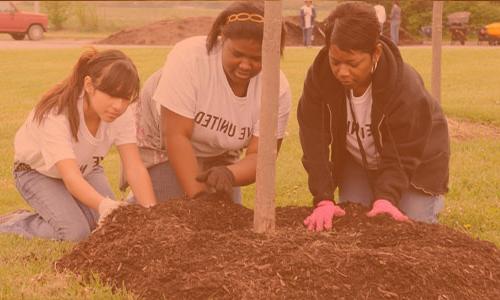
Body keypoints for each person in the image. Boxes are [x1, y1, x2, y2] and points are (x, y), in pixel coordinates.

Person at [297, 1, 449, 232]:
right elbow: (313, 140)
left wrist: (386, 198)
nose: (342, 72)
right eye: (335, 61)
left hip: (416, 167)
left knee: (408, 228)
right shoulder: (319, 78)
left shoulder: (404, 87)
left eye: (353, 63)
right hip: (359, 161)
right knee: (353, 222)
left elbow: (404, 154)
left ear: (375, 53)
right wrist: (324, 198)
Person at [130, 1, 292, 203]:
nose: (245, 65)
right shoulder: (190, 59)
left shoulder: (277, 89)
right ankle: (135, 203)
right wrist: (199, 196)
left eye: (257, 58)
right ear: (222, 38)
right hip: (164, 141)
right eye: (237, 54)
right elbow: (176, 135)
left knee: (226, 220)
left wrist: (229, 173)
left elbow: (262, 156)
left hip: (220, 149)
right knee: (176, 213)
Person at [0, 49, 157, 241]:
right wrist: (104, 205)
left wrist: (152, 214)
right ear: (89, 85)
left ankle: (61, 214)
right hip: (38, 173)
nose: (119, 105)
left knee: (111, 225)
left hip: (86, 169)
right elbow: (71, 177)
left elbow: (134, 167)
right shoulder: (56, 115)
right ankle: (15, 222)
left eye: (125, 98)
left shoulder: (122, 114)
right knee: (76, 233)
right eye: (112, 94)